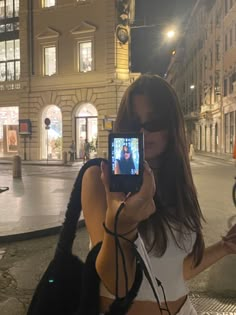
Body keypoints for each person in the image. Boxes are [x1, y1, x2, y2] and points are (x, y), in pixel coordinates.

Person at [81, 74, 236, 315]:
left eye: (154, 122)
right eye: (134, 124)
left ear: (172, 126)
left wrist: (225, 248)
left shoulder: (177, 181)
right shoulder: (100, 180)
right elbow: (118, 285)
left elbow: (177, 271)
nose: (143, 131)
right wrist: (121, 224)